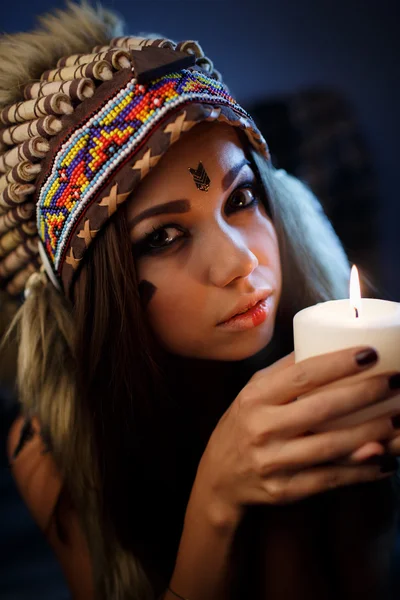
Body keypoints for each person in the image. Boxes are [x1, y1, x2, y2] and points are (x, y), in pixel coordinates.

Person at [1, 3, 400, 599]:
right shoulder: (56, 450)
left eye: (240, 198)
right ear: (98, 286)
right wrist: (219, 497)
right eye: (162, 237)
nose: (241, 261)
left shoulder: (339, 355)